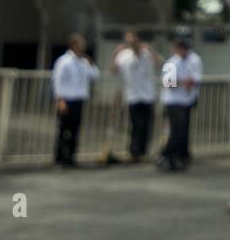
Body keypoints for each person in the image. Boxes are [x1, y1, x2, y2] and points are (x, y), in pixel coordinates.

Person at [51, 32, 99, 168]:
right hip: (67, 99)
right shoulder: (64, 61)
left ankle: (71, 158)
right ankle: (59, 158)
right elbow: (57, 80)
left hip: (79, 99)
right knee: (63, 130)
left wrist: (91, 63)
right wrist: (60, 99)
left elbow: (95, 75)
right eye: (80, 44)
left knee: (75, 130)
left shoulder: (83, 62)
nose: (83, 47)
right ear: (73, 45)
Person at [111, 31, 160, 162]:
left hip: (148, 95)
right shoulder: (123, 55)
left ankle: (143, 151)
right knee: (136, 125)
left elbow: (160, 63)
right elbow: (114, 70)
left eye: (132, 39)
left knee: (146, 125)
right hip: (132, 95)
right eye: (128, 40)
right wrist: (115, 53)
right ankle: (134, 151)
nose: (130, 42)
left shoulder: (147, 53)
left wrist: (151, 49)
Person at [158, 36, 202, 171]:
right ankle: (166, 154)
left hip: (185, 100)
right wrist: (183, 82)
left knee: (182, 130)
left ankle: (178, 155)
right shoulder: (172, 62)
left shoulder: (191, 60)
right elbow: (168, 83)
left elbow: (196, 78)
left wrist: (189, 82)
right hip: (173, 101)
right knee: (177, 130)